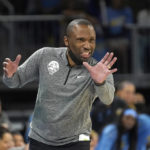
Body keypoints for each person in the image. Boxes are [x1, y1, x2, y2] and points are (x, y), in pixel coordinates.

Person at [3, 19, 117, 150]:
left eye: (92, 40)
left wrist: (99, 82)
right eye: (81, 40)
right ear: (67, 41)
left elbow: (108, 99)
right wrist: (10, 76)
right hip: (40, 139)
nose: (88, 45)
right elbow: (15, 81)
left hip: (77, 141)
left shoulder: (99, 70)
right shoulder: (45, 55)